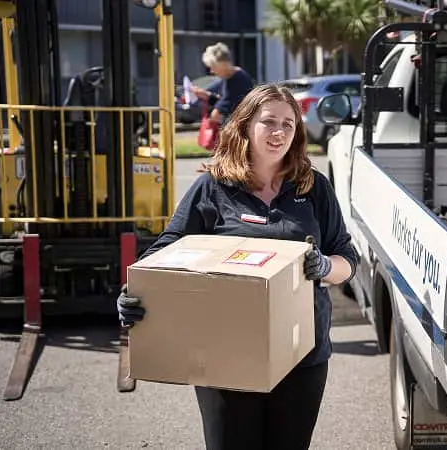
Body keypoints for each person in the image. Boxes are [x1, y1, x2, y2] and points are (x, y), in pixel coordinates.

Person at [116, 83, 358, 450]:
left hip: (301, 357)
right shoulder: (213, 186)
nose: (278, 132)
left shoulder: (313, 187)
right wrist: (136, 294)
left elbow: (348, 261)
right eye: (269, 122)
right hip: (224, 355)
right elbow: (165, 251)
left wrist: (324, 267)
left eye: (288, 125)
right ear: (246, 125)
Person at [191, 42, 255, 126]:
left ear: (222, 65)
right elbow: (224, 102)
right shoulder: (230, 78)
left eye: (212, 67)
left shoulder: (237, 80)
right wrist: (206, 96)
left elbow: (218, 114)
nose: (212, 71)